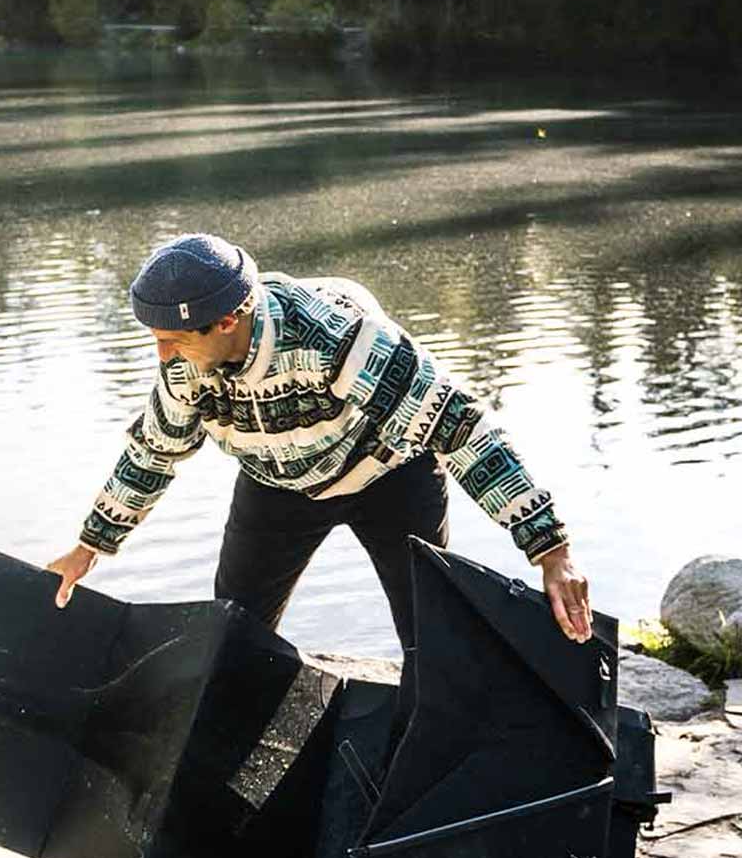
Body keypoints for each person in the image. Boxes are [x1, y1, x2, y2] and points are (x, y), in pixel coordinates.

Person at [47, 232, 592, 649]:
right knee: (233, 640)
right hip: (276, 488)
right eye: (156, 340)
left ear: (227, 320)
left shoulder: (335, 337)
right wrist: (89, 548)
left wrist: (551, 550)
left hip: (388, 475)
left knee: (432, 639)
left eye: (173, 340)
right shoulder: (183, 368)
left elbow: (461, 427)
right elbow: (151, 454)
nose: (162, 356)